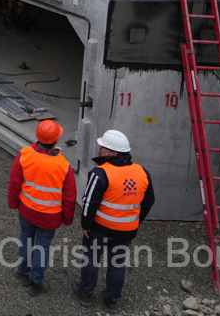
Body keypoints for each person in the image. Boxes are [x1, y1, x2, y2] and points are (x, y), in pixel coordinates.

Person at [72, 129, 154, 311]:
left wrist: (85, 224)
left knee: (92, 258)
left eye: (103, 148)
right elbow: (149, 201)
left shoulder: (100, 173)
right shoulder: (142, 172)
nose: (100, 150)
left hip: (100, 229)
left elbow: (89, 203)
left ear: (113, 153)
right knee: (117, 263)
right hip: (127, 231)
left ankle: (85, 293)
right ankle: (112, 300)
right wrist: (140, 219)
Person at [8, 120, 75, 296]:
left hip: (27, 210)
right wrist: (68, 219)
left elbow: (15, 183)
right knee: (42, 246)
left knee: (25, 238)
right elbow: (69, 198)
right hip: (50, 217)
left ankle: (23, 272)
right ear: (57, 139)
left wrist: (13, 203)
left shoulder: (24, 155)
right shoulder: (64, 167)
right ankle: (36, 283)